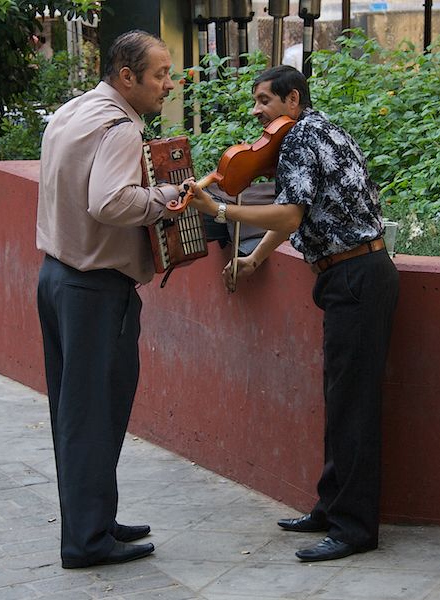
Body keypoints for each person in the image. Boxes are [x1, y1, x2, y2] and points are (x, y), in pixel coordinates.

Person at [186, 65, 399, 563]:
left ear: (293, 100)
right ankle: (332, 505)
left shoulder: (301, 138)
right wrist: (257, 257)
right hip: (354, 273)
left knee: (354, 406)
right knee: (341, 397)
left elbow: (289, 214)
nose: (257, 112)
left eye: (264, 101)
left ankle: (355, 529)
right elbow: (304, 208)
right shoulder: (321, 130)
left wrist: (220, 211)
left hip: (356, 276)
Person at [36, 30, 182, 569]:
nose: (169, 83)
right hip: (95, 290)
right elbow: (110, 201)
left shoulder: (74, 111)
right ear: (128, 77)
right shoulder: (121, 127)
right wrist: (163, 200)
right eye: (160, 75)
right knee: (95, 415)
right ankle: (86, 542)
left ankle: (94, 519)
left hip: (55, 278)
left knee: (74, 416)